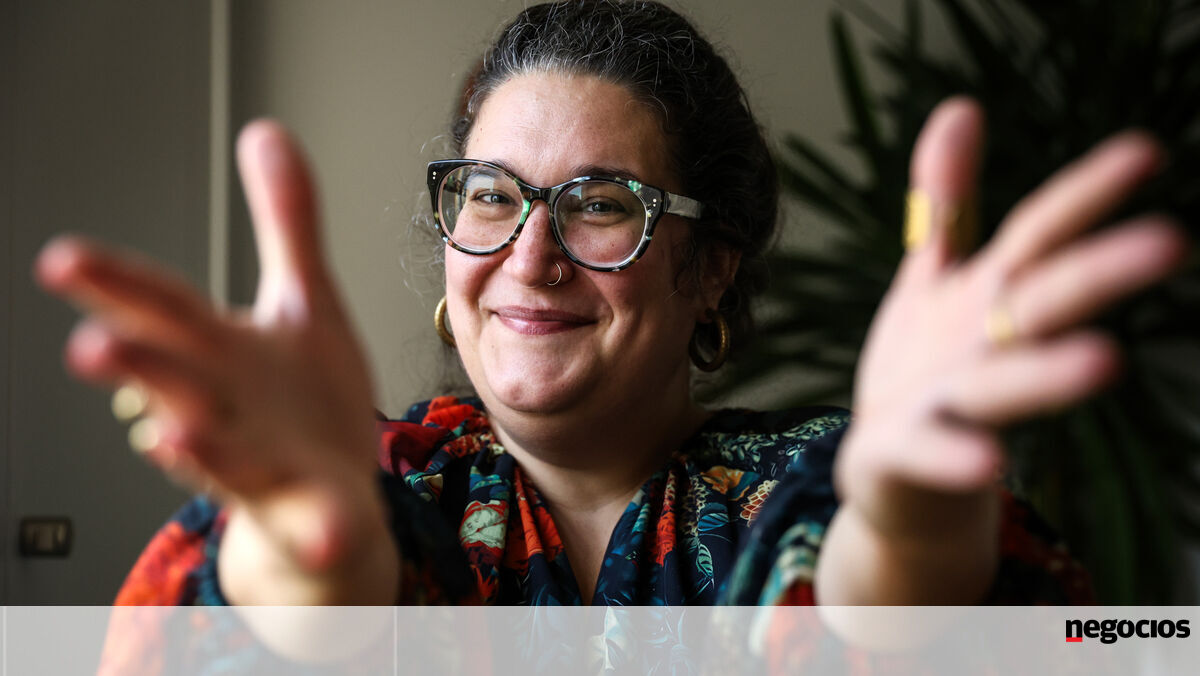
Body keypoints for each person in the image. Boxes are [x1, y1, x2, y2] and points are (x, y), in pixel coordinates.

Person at [36, 0, 1184, 610]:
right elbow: (306, 593)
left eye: (599, 204)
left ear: (712, 265)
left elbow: (877, 591)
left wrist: (909, 533)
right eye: (493, 196)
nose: (529, 257)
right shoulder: (374, 477)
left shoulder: (823, 482)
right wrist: (313, 569)